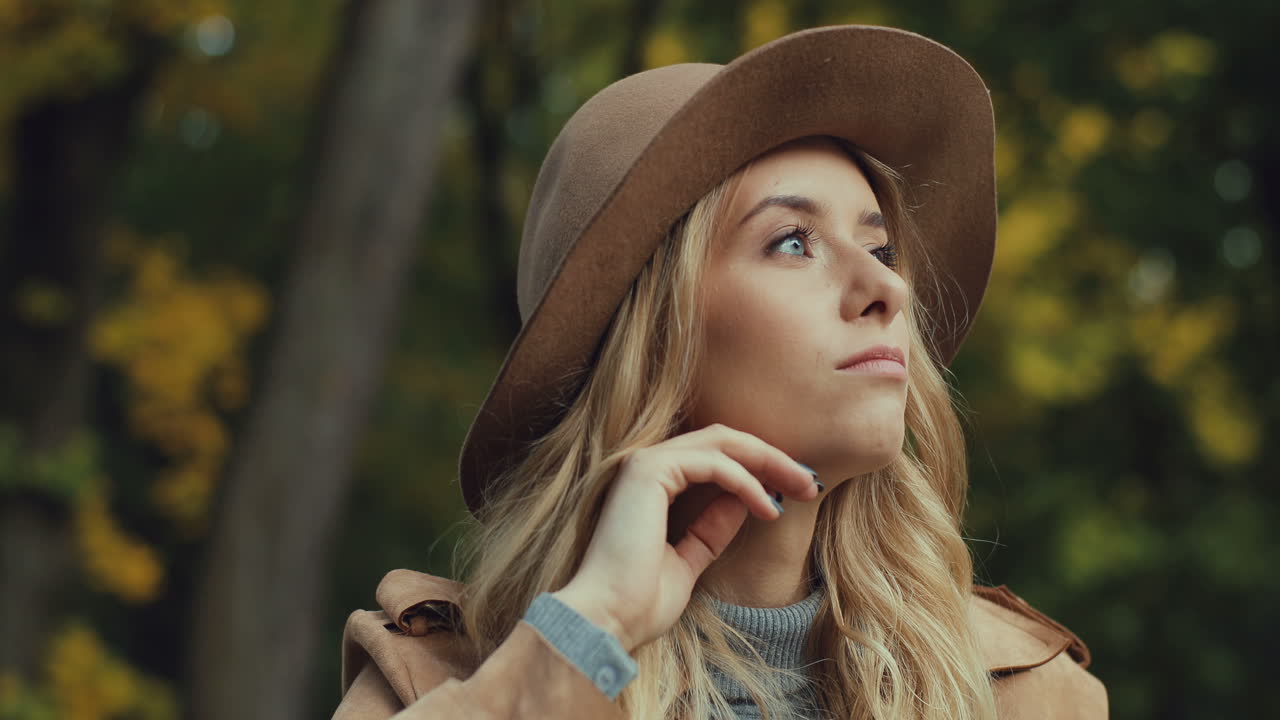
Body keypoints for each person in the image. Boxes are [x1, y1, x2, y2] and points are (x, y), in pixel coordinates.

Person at [332, 25, 1107, 720]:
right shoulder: (433, 682)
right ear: (654, 334)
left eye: (879, 249)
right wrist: (589, 632)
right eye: (793, 242)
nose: (889, 288)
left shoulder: (1029, 695)